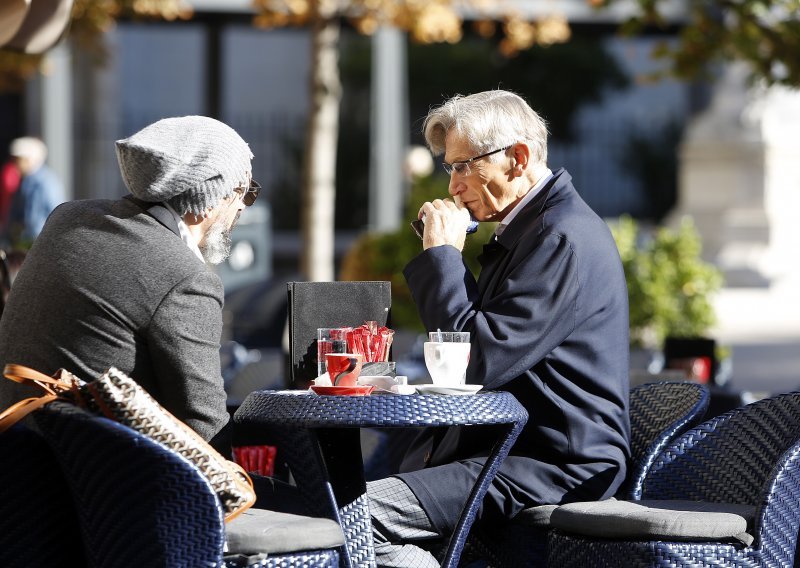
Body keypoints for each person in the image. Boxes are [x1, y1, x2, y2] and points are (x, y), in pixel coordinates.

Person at [367, 90, 631, 566]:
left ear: (519, 158)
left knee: (356, 515)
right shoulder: (529, 230)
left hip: (553, 465)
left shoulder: (560, 237)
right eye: (450, 168)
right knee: (347, 504)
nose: (453, 187)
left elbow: (475, 361)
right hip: (505, 449)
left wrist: (444, 257)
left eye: (465, 166)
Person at [0, 116, 260, 455]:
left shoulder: (67, 218)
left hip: (18, 469)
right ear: (212, 198)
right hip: (104, 491)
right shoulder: (186, 276)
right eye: (244, 193)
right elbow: (204, 430)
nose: (242, 206)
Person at [6, 137, 65, 245]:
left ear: (30, 159)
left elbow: (57, 214)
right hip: (28, 241)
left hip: (42, 242)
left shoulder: (47, 182)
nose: (15, 163)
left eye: (18, 159)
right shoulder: (25, 181)